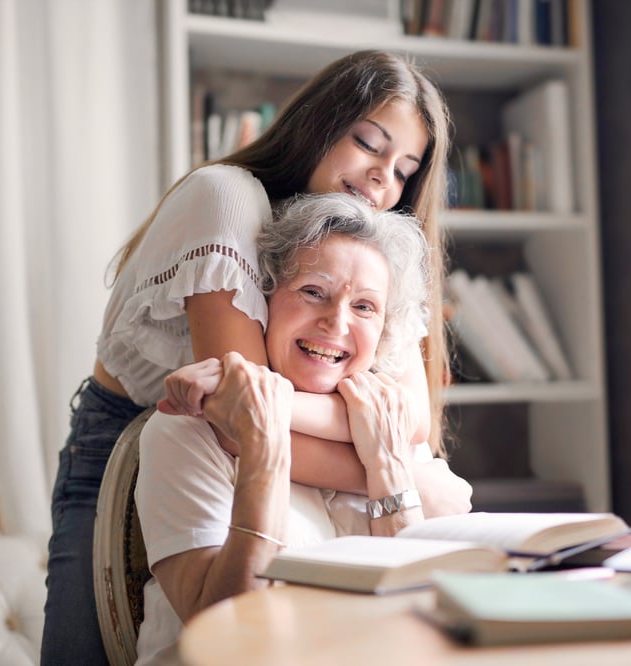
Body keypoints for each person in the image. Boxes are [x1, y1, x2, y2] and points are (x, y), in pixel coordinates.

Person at [41, 50, 471, 664]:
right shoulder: (226, 198)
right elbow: (248, 422)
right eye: (369, 144)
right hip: (134, 441)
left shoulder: (368, 246)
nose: (383, 180)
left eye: (405, 169)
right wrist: (400, 468)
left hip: (262, 442)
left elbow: (412, 418)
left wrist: (392, 449)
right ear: (317, 126)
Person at [136, 193, 438, 664]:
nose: (336, 322)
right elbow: (231, 631)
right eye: (314, 292)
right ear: (266, 298)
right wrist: (264, 445)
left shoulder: (387, 425)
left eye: (364, 307)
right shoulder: (186, 433)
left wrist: (389, 464)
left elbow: (422, 616)